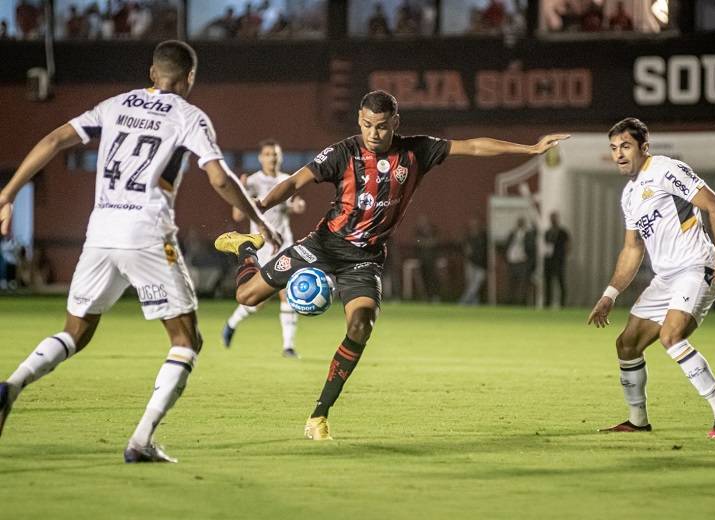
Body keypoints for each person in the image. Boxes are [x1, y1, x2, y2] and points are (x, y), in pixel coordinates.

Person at [213, 89, 569, 440]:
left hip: (364, 261)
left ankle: (319, 415)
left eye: (382, 126)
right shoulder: (343, 152)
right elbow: (294, 182)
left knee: (361, 325)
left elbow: (472, 146)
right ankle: (245, 248)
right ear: (359, 120)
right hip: (323, 246)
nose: (374, 133)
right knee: (247, 296)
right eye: (367, 124)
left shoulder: (417, 150)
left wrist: (530, 148)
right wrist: (259, 206)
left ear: (395, 122)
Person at [0, 40, 279, 462]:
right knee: (186, 340)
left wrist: (7, 193)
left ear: (152, 73)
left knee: (75, 332)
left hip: (100, 232)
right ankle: (141, 441)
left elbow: (55, 140)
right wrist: (258, 220)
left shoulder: (112, 106)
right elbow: (220, 179)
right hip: (147, 232)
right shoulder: (189, 116)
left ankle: (12, 386)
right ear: (190, 79)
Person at [588, 117, 715, 438]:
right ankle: (637, 419)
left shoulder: (665, 169)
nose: (619, 154)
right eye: (614, 148)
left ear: (644, 147)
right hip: (667, 278)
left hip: (697, 266)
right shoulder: (629, 195)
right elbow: (631, 250)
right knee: (627, 345)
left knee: (672, 336)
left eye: (625, 146)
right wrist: (609, 295)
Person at [221, 139, 306, 357]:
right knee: (259, 300)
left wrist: (297, 206)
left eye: (275, 154)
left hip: (285, 244)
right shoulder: (252, 181)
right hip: (261, 247)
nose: (272, 158)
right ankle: (231, 323)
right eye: (268, 154)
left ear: (280, 157)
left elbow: (293, 204)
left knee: (288, 292)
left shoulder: (286, 179)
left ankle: (288, 346)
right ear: (261, 158)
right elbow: (238, 216)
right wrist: (240, 191)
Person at [458, 217, 487, 305]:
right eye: (472, 224)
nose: (474, 225)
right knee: (471, 285)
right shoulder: (468, 236)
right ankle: (475, 304)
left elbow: (485, 250)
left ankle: (462, 302)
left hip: (481, 264)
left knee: (475, 285)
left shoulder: (483, 236)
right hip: (470, 263)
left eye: (475, 224)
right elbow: (465, 249)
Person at [543, 211, 570, 308]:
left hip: (558, 260)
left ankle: (562, 303)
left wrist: (563, 255)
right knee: (548, 282)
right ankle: (547, 303)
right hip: (548, 261)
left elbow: (567, 246)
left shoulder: (563, 232)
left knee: (560, 282)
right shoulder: (547, 232)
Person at [505, 217, 530, 305]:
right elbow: (507, 245)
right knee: (511, 283)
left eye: (521, 222)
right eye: (519, 222)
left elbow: (531, 248)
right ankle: (510, 301)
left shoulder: (528, 234)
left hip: (522, 261)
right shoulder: (512, 233)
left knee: (522, 283)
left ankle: (521, 302)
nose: (520, 224)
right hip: (512, 261)